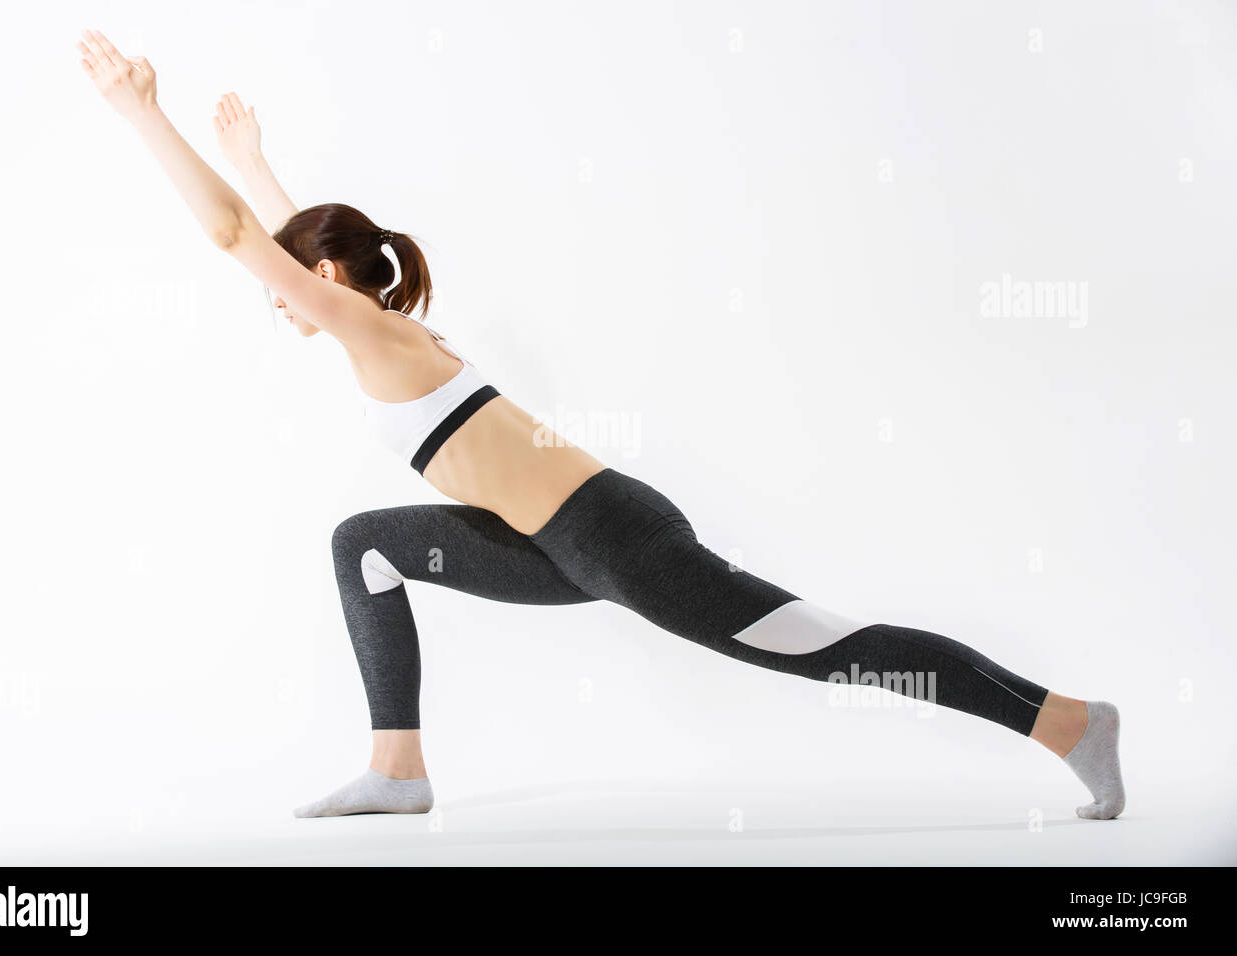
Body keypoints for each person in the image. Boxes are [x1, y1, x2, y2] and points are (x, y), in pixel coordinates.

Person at [77, 29, 1125, 822]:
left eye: (292, 284)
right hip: (552, 540)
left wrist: (140, 115)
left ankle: (1066, 719)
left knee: (829, 648)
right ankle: (397, 768)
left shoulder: (363, 327)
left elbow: (232, 237)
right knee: (365, 547)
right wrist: (260, 163)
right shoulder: (380, 321)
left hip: (612, 537)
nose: (279, 301)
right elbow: (295, 242)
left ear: (323, 282)